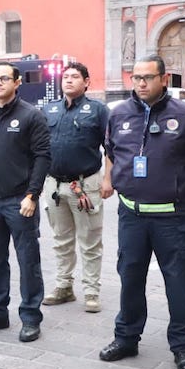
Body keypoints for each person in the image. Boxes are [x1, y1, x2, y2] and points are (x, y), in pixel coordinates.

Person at [99, 55, 185, 369]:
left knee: (178, 283)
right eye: (136, 78)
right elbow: (112, 152)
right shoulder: (118, 114)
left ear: (164, 79)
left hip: (172, 217)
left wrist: (179, 188)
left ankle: (182, 347)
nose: (141, 83)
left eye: (148, 77)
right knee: (130, 278)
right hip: (131, 215)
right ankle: (126, 338)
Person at [0, 62, 51, 342]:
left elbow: (42, 157)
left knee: (28, 261)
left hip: (20, 201)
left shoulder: (31, 116)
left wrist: (32, 195)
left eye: (5, 78)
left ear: (17, 82)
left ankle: (30, 317)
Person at [41, 63, 109, 313]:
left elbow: (110, 147)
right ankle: (63, 286)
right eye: (65, 76)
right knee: (61, 240)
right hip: (55, 185)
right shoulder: (49, 110)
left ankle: (91, 291)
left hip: (85, 185)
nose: (68, 80)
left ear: (87, 81)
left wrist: (108, 180)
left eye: (75, 77)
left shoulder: (98, 110)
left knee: (90, 241)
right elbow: (39, 149)